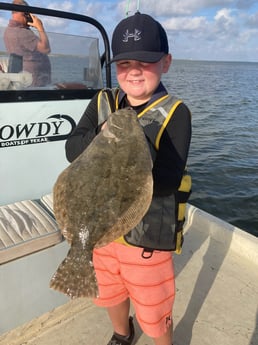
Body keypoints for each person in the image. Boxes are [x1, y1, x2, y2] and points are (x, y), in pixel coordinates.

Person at [65, 12, 192, 345]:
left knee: (154, 308)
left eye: (146, 61)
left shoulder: (176, 114)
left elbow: (166, 180)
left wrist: (136, 154)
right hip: (102, 236)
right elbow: (71, 149)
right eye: (125, 63)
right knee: (109, 292)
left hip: (147, 244)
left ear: (166, 62)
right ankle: (123, 333)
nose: (134, 70)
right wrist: (101, 136)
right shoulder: (102, 102)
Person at [4, 0, 51, 86]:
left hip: (25, 79)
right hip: (36, 81)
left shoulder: (8, 31)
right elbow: (46, 49)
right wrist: (40, 26)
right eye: (27, 13)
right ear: (24, 13)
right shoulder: (22, 33)